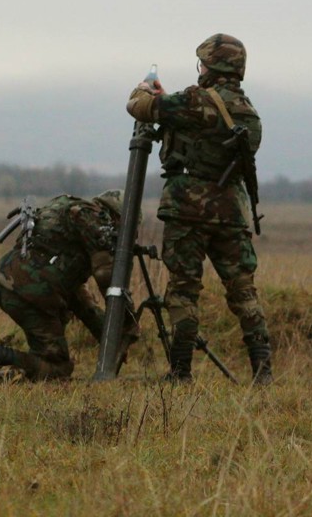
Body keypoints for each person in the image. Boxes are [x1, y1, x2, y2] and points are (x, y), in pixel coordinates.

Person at [125, 33, 272, 384]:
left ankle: (180, 372)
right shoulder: (250, 114)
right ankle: (263, 373)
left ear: (211, 66)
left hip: (187, 208)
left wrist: (146, 88)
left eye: (202, 63)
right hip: (231, 214)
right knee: (243, 291)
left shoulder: (195, 101)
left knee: (183, 289)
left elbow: (138, 106)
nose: (200, 69)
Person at [0, 190, 139, 381]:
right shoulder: (94, 220)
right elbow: (108, 276)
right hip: (31, 292)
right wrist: (128, 322)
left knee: (47, 355)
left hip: (9, 283)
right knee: (57, 368)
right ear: (118, 217)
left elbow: (79, 297)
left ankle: (0, 364)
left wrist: (108, 335)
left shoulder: (68, 211)